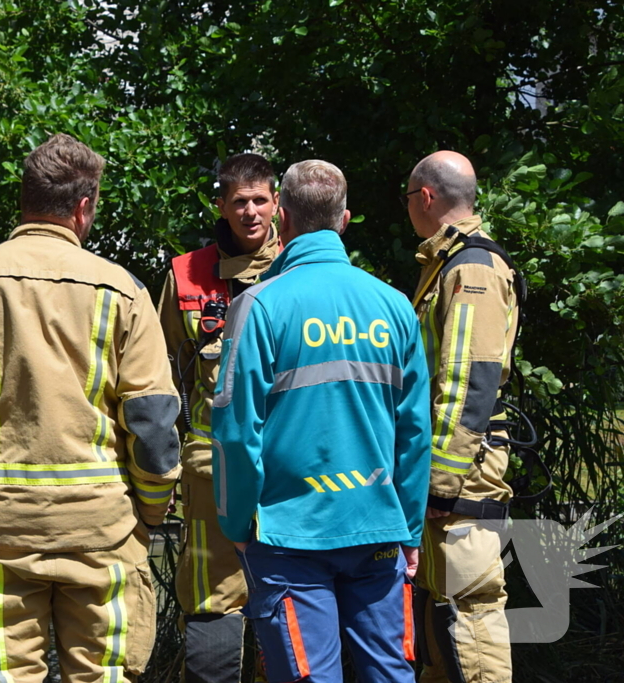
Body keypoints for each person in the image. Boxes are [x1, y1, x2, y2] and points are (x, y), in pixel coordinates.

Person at [0, 133, 180, 682]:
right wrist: (149, 514)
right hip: (103, 534)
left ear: (24, 200)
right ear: (83, 207)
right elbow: (152, 424)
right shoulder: (123, 290)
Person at [211, 160, 432, 683]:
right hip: (378, 529)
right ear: (345, 220)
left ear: (282, 218)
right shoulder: (395, 306)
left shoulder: (258, 306)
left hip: (289, 537)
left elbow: (237, 434)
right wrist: (410, 529)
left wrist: (236, 524)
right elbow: (415, 432)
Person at [156, 152, 281, 682]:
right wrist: (162, 467)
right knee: (212, 602)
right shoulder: (186, 276)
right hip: (212, 472)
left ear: (277, 203)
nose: (251, 212)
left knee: (291, 601)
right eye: (239, 201)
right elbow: (161, 380)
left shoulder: (301, 267)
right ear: (221, 206)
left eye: (260, 200)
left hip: (290, 470)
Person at [403, 151, 519, 683]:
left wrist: (441, 482)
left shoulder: (470, 267)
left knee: (469, 610)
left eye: (408, 197)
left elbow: (469, 382)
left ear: (425, 197)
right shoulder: (446, 262)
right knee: (440, 607)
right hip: (448, 469)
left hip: (463, 474)